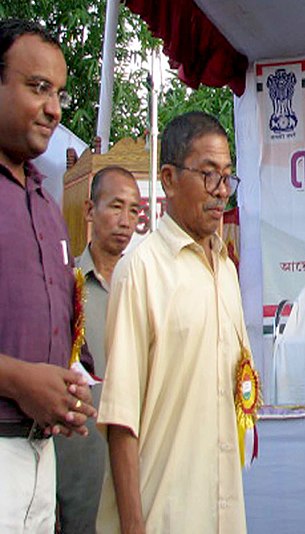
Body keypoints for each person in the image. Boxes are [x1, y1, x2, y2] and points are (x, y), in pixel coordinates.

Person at [95, 112, 250, 533]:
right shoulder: (140, 272)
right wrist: (133, 523)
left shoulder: (227, 271)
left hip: (223, 511)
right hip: (162, 513)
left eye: (228, 177)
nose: (221, 193)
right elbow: (120, 417)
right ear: (167, 177)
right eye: (208, 176)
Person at [0, 18, 96, 534]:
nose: (55, 110)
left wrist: (68, 380)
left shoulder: (45, 201)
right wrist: (19, 380)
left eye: (58, 92)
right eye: (37, 88)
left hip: (43, 453)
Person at [54, 166, 141, 533]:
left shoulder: (143, 288)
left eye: (135, 211)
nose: (126, 221)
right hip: (79, 473)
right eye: (116, 207)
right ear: (90, 210)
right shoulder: (64, 288)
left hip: (136, 474)